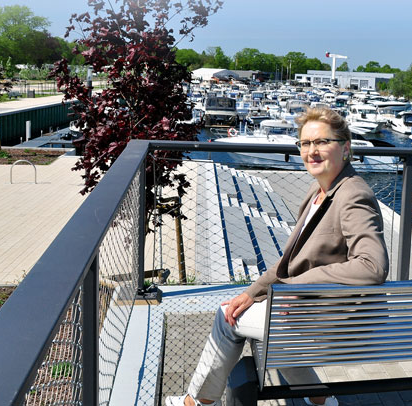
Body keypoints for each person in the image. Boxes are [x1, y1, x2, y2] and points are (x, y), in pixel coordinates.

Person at [166, 107, 389, 406]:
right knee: (252, 319)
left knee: (226, 318)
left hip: (340, 319)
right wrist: (252, 293)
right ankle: (320, 399)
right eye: (305, 143)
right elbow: (288, 263)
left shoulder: (352, 195)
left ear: (345, 147)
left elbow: (372, 266)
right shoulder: (318, 191)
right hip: (317, 309)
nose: (312, 151)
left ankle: (197, 403)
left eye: (322, 142)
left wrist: (297, 287)